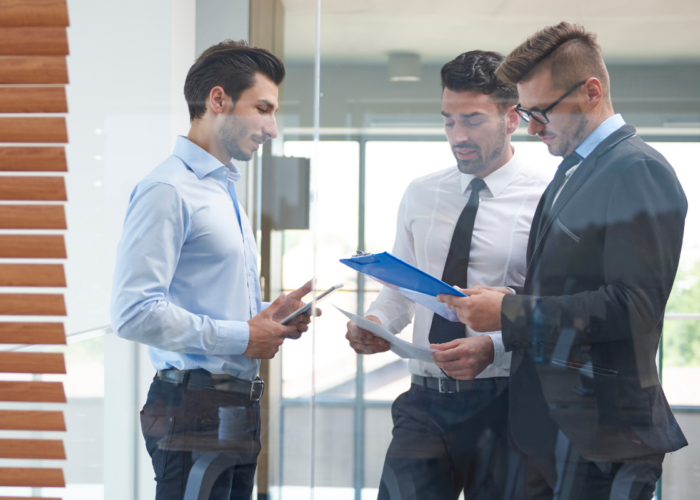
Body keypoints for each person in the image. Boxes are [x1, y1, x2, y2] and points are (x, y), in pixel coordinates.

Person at [437, 23, 689, 500]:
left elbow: (633, 307)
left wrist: (510, 312)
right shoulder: (572, 171)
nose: (532, 127)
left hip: (605, 439)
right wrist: (502, 321)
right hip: (550, 434)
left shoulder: (639, 170)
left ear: (591, 92)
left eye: (541, 112)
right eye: (527, 112)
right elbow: (562, 293)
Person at [110, 40, 314, 500]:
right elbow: (133, 312)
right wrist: (244, 335)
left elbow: (208, 299)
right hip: (191, 406)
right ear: (218, 100)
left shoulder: (222, 190)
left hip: (234, 405)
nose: (273, 128)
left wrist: (270, 314)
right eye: (262, 108)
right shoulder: (167, 189)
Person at [344, 50, 552, 500]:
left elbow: (549, 309)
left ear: (512, 118)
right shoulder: (421, 193)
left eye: (473, 121)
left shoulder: (546, 199)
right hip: (423, 401)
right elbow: (400, 290)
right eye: (448, 121)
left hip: (506, 402)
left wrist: (491, 346)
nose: (457, 135)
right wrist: (376, 324)